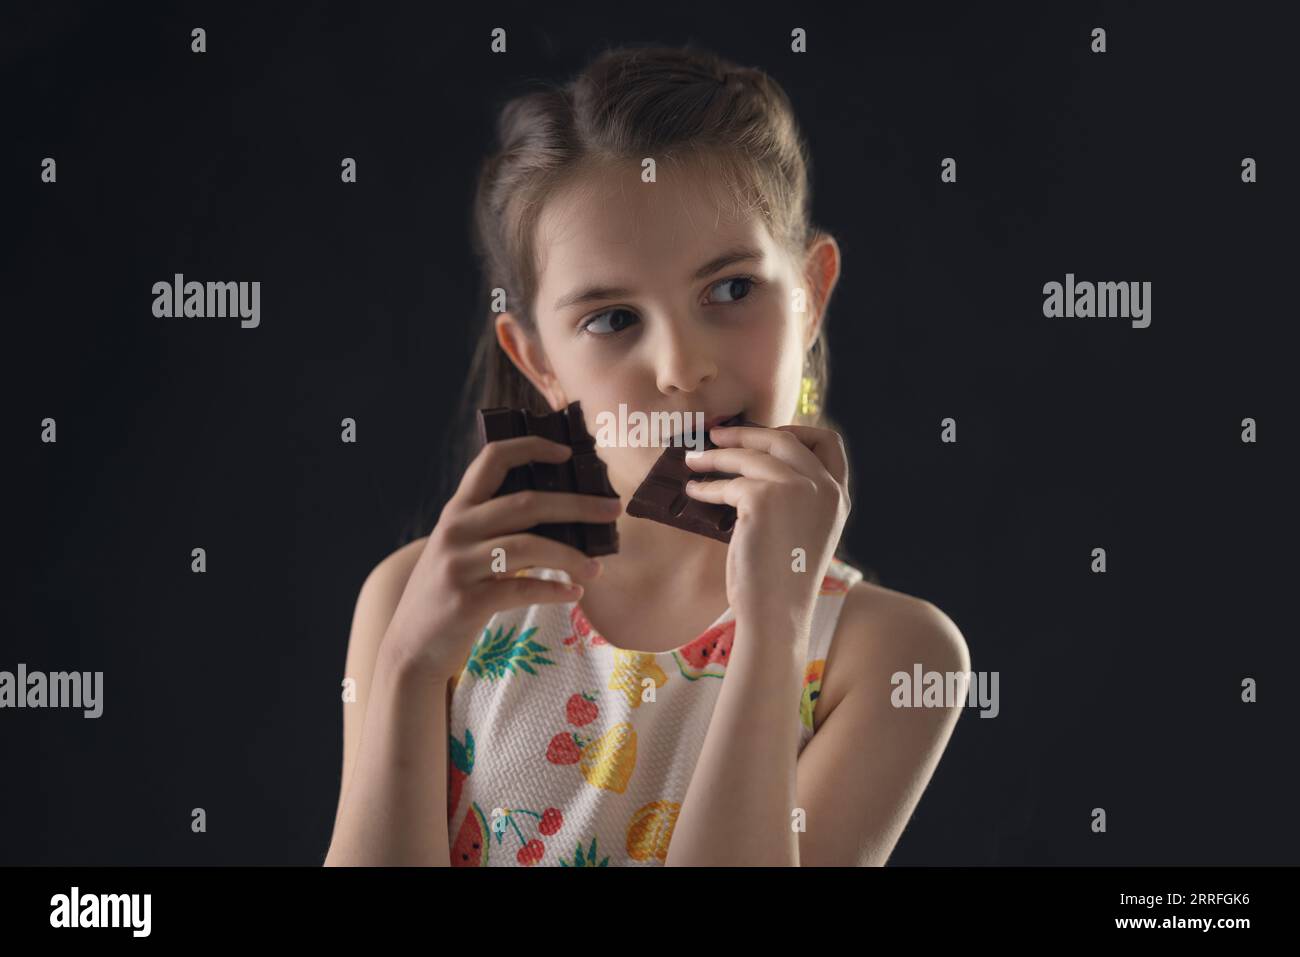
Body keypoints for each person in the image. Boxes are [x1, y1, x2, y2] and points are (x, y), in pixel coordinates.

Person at [325, 44, 969, 867]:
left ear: (811, 296)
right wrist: (412, 666)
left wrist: (775, 624)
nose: (682, 368)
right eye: (613, 319)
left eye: (732, 290)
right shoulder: (413, 600)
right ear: (540, 361)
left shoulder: (890, 657)